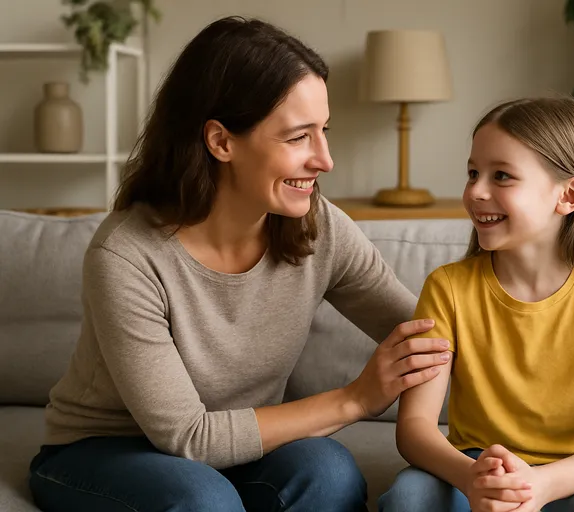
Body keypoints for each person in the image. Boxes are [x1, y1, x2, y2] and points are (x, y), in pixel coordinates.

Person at [27, 16, 452, 512]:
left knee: (330, 473)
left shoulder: (320, 227)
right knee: (203, 500)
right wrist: (356, 399)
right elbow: (189, 437)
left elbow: (431, 336)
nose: (325, 159)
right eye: (298, 138)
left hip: (246, 443)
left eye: (324, 131)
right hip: (104, 450)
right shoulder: (126, 256)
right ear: (221, 141)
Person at [378, 97, 574, 512]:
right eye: (473, 173)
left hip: (573, 477)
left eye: (502, 176)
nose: (476, 191)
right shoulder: (448, 288)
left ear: (568, 195)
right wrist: (471, 479)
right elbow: (415, 428)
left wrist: (540, 485)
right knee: (411, 496)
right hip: (475, 470)